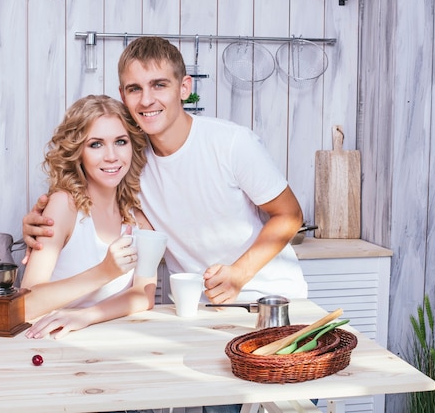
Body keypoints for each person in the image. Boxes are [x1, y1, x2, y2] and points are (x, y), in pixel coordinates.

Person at [23, 36, 307, 306]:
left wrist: (239, 274)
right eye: (135, 88)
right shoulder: (128, 159)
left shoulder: (232, 143)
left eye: (159, 85)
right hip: (195, 306)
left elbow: (290, 214)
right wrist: (43, 224)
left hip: (269, 296)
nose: (146, 100)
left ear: (184, 88)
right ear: (123, 95)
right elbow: (83, 199)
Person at [20, 94, 156, 340]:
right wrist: (105, 271)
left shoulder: (137, 219)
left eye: (121, 141)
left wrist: (86, 316)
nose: (112, 156)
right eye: (96, 144)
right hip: (52, 344)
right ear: (77, 152)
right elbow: (25, 305)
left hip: (109, 344)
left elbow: (144, 293)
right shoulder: (64, 206)